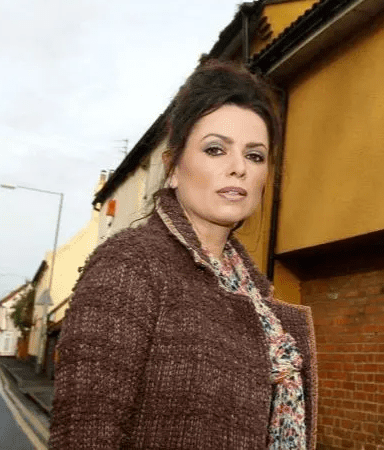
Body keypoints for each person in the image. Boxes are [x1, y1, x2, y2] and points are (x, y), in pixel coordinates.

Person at [50, 60, 317, 450]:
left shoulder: (257, 295)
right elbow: (83, 435)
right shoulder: (128, 266)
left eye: (255, 156)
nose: (239, 168)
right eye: (215, 150)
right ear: (173, 169)